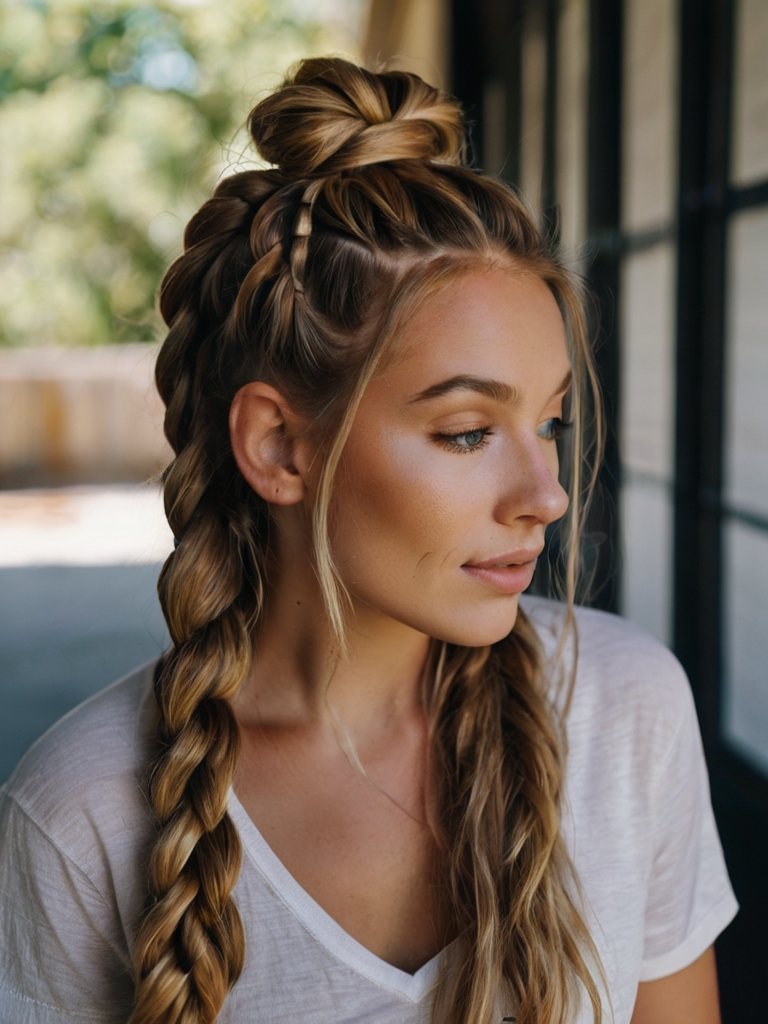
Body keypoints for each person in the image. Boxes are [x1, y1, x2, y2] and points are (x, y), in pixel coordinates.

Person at [0, 58, 736, 1024]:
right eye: (468, 432)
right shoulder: (81, 814)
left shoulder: (626, 713)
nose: (547, 495)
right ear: (279, 445)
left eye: (550, 424)